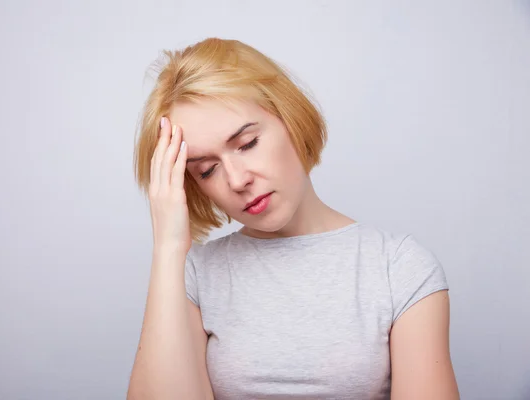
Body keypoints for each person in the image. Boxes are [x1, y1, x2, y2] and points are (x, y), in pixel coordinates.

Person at [127, 38, 459, 400]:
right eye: (207, 171)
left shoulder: (398, 267)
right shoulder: (194, 274)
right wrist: (168, 246)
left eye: (248, 143)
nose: (237, 181)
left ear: (290, 118)